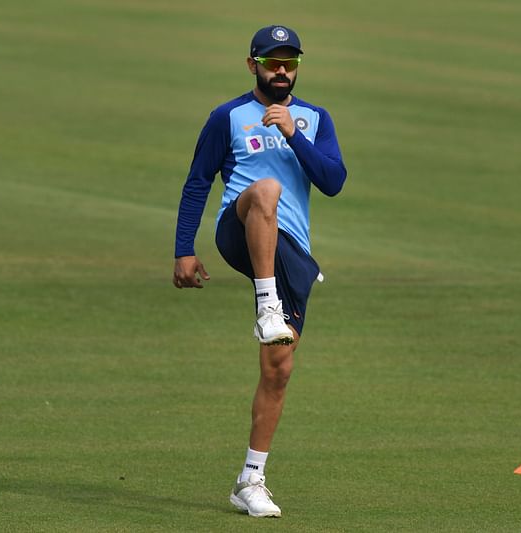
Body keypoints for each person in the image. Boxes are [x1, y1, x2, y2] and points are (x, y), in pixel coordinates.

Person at [172, 24, 347, 518]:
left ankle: (250, 479)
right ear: (253, 65)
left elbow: (333, 182)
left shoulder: (314, 119)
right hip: (238, 226)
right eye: (272, 63)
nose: (282, 72)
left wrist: (293, 135)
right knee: (265, 190)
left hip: (289, 248)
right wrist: (183, 250)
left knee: (279, 368)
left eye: (290, 63)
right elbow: (197, 184)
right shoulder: (227, 117)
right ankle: (266, 303)